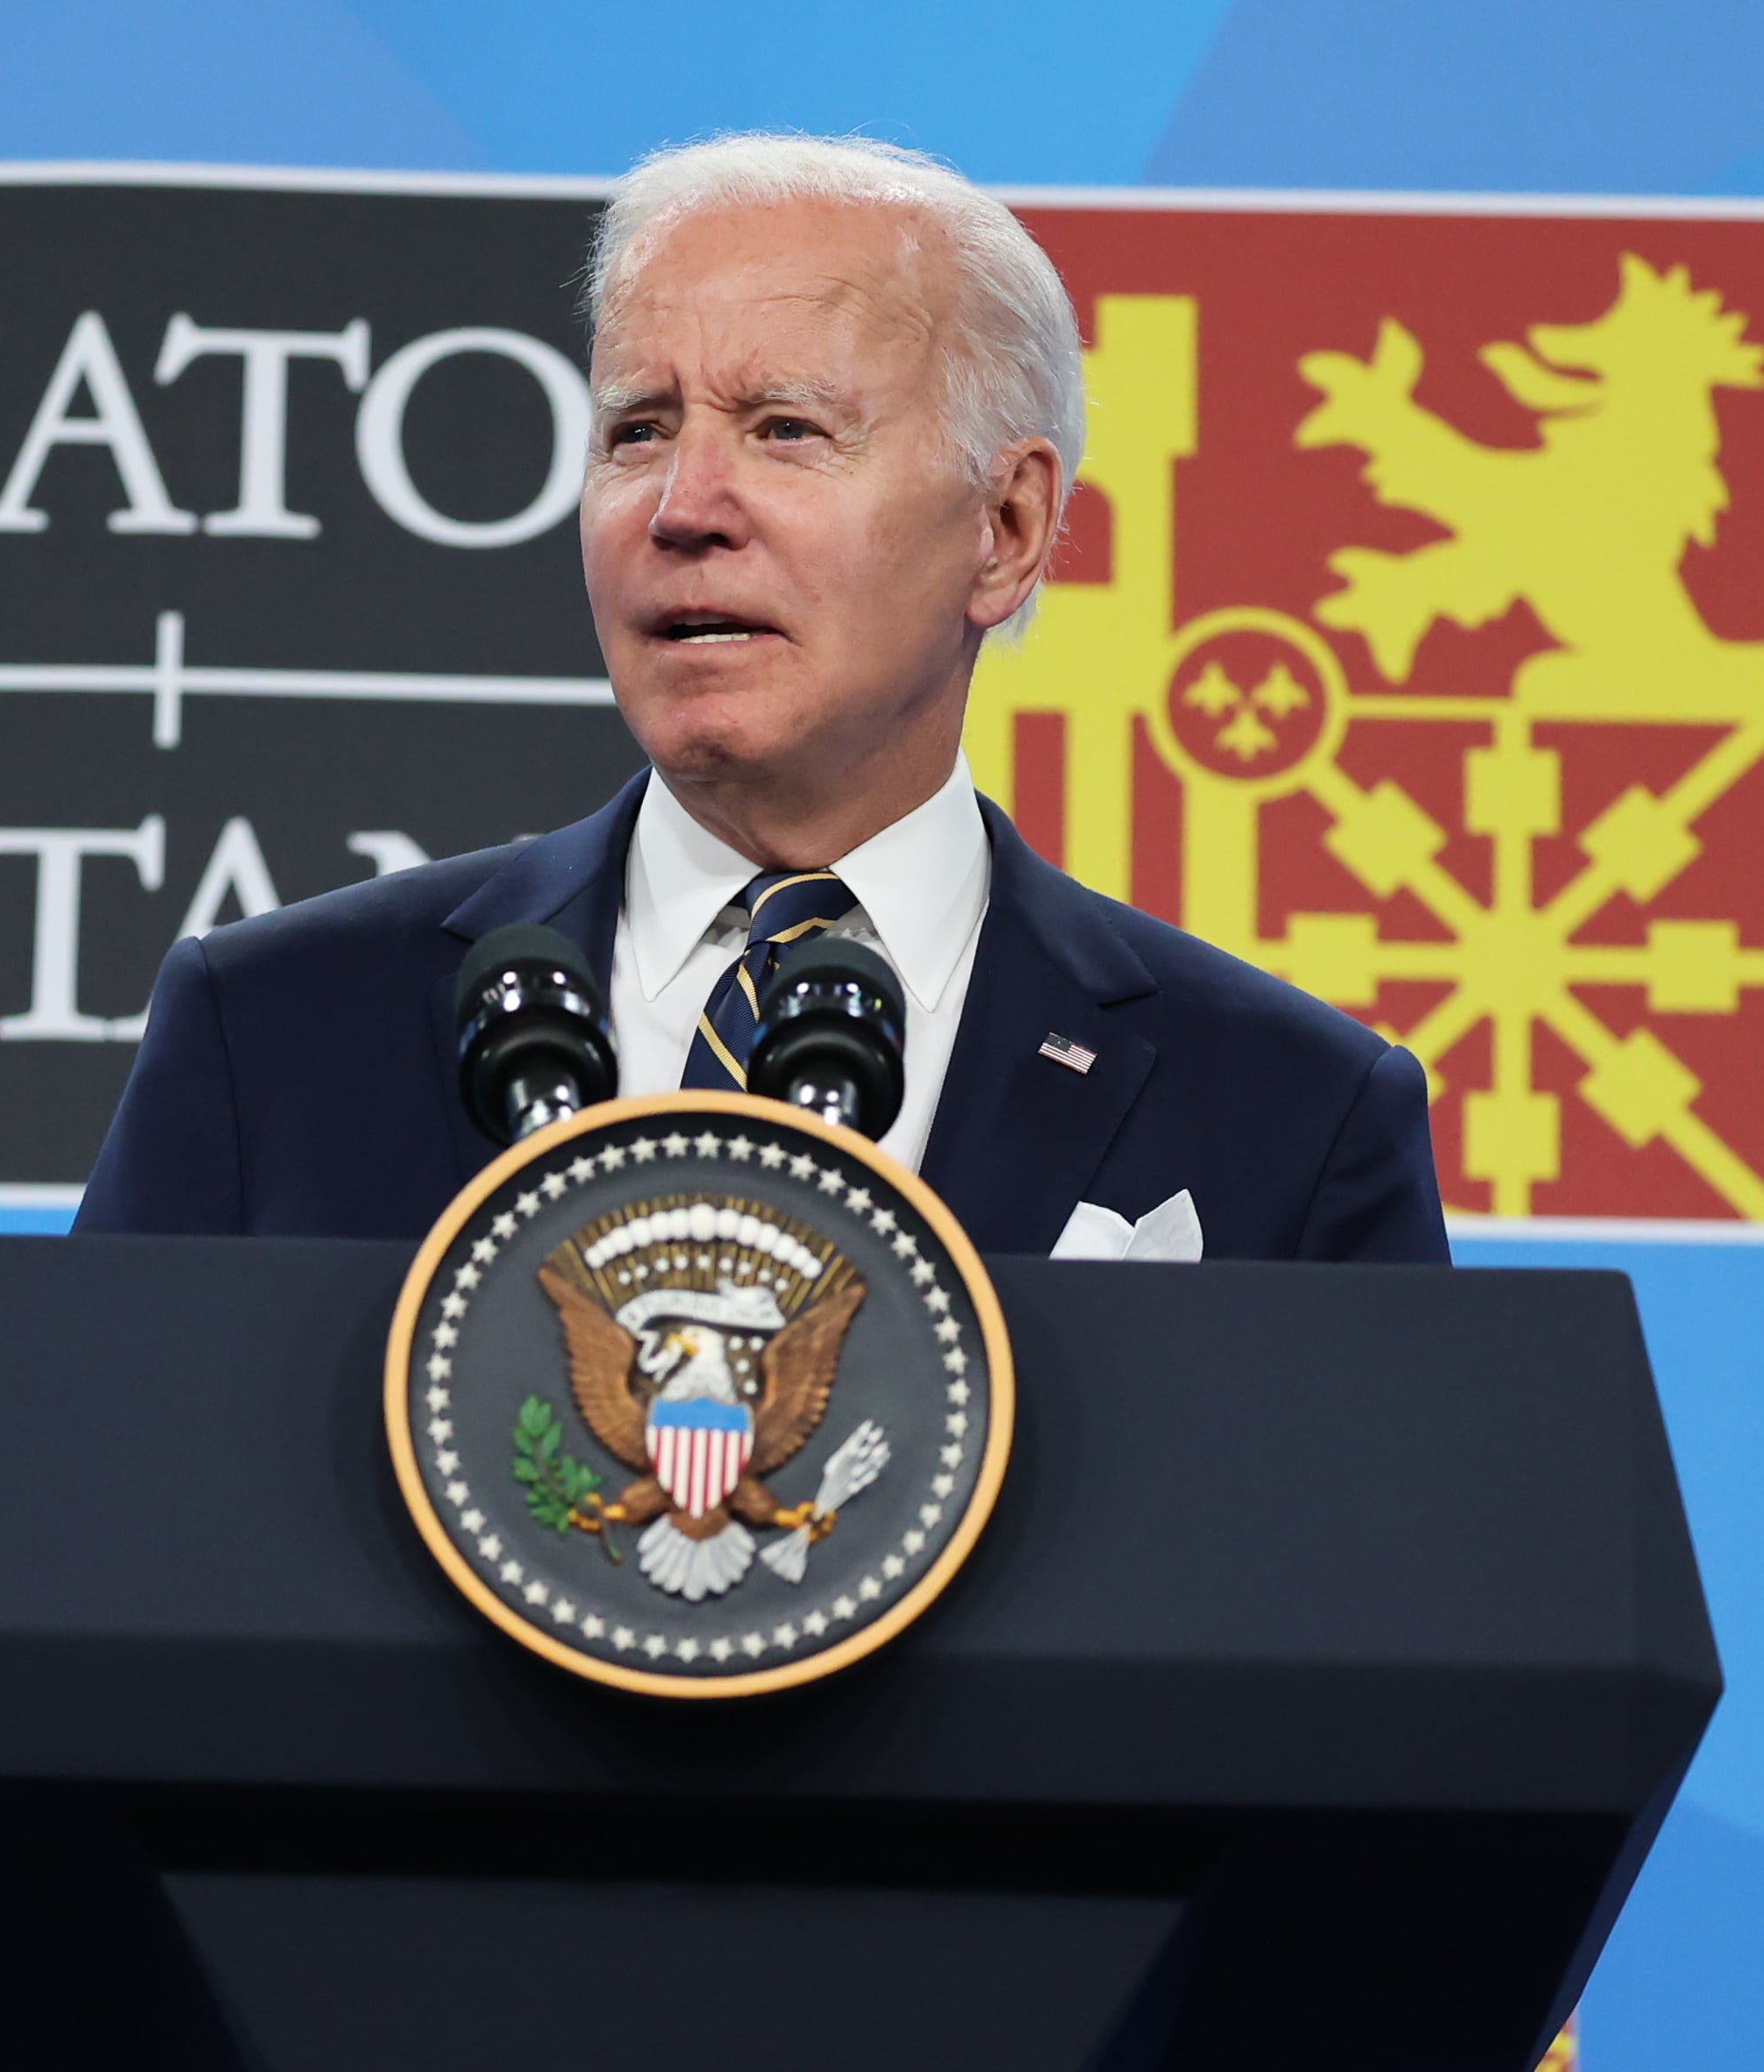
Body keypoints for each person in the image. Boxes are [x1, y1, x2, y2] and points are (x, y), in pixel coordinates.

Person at [75, 133, 1446, 1265]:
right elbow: (79, 1552)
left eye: (786, 429)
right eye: (638, 430)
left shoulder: (1292, 1121)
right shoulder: (273, 1036)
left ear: (1008, 526)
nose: (682, 509)